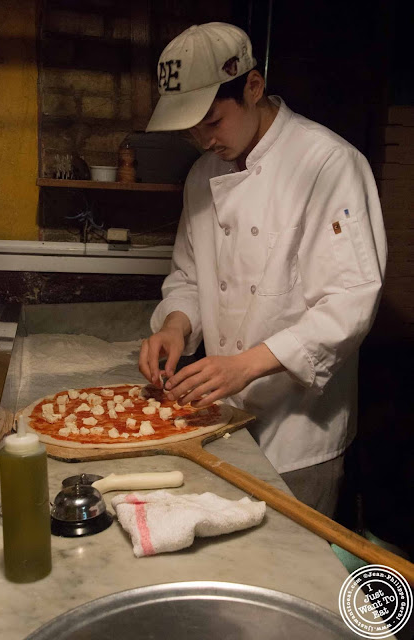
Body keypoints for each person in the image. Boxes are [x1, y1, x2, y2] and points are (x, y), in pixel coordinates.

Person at [138, 22, 387, 517]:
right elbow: (188, 275)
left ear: (253, 87)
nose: (202, 139)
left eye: (211, 121)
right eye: (189, 129)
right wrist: (175, 325)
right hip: (219, 413)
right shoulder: (203, 174)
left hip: (299, 430)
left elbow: (350, 301)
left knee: (293, 571)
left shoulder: (328, 163)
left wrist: (243, 366)